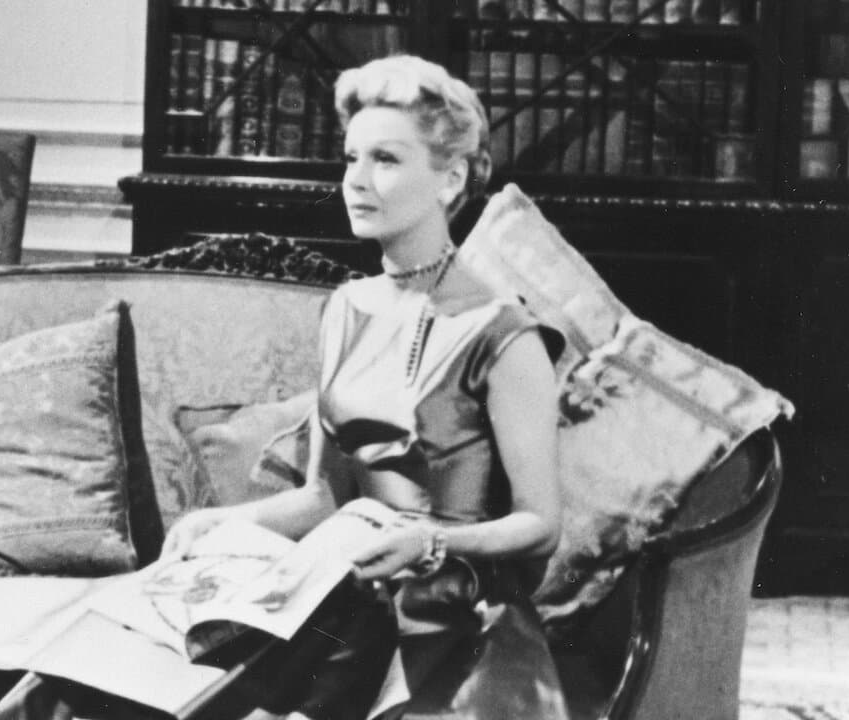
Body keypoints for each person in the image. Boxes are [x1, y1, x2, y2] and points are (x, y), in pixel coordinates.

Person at [161, 54, 566, 720]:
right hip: (348, 573)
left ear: (450, 179)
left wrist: (430, 543)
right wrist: (220, 521)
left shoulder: (503, 332)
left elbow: (540, 526)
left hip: (447, 600)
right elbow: (323, 496)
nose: (355, 180)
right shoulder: (346, 308)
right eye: (351, 158)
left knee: (348, 615)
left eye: (385, 159)